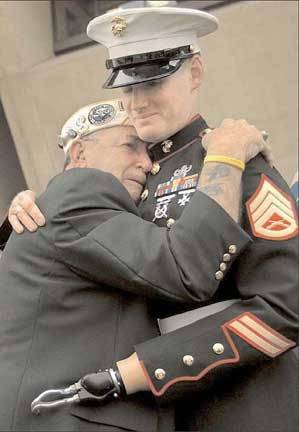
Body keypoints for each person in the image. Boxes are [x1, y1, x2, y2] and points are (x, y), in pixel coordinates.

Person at [6, 6, 298, 432]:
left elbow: (286, 306)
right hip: (148, 414)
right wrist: (33, 203)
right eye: (127, 85)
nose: (137, 101)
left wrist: (151, 368)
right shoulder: (121, 182)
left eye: (154, 80)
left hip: (244, 403)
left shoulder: (235, 163)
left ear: (194, 73)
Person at [1, 98, 266, 431]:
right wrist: (226, 156)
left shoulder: (67, 208)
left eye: (151, 153)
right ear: (80, 154)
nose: (148, 163)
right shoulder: (80, 190)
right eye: (130, 146)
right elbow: (187, 268)